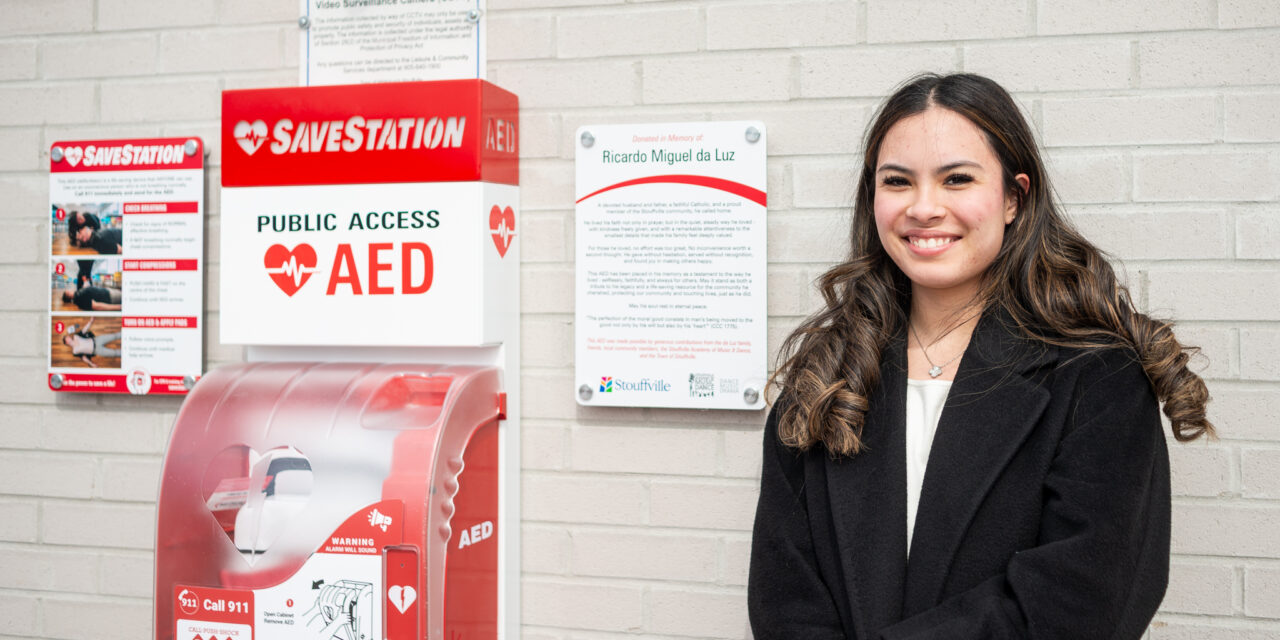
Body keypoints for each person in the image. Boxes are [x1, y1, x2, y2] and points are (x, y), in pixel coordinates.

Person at [748, 73, 1213, 640]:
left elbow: (1084, 600)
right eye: (898, 181)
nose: (924, 208)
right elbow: (784, 594)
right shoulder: (828, 373)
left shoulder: (1096, 376)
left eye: (957, 179)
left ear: (1014, 197)